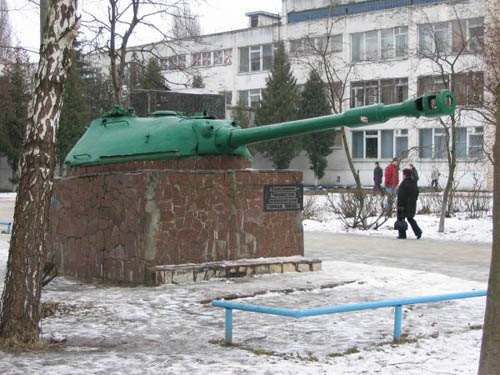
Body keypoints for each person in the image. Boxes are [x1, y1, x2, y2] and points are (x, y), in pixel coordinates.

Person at [396, 168, 422, 239]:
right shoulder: (414, 182)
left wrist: (400, 205)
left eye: (403, 174)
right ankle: (418, 232)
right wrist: (414, 200)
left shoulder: (404, 183)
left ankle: (402, 235)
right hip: (412, 204)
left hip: (404, 205)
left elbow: (401, 195)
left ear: (405, 175)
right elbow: (417, 193)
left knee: (401, 218)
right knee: (410, 218)